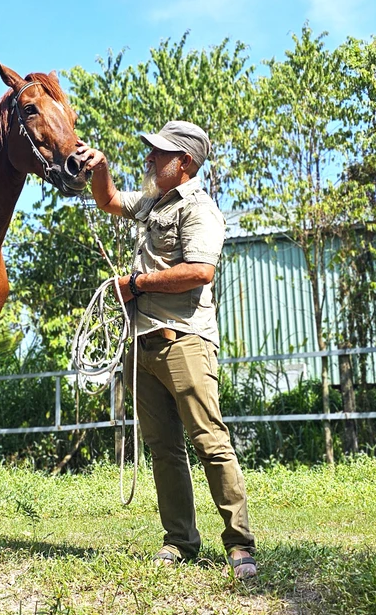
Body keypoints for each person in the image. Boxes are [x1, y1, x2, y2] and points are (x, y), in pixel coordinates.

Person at [76, 120, 257, 580]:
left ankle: (239, 544)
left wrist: (133, 284)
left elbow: (200, 271)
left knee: (210, 442)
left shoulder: (200, 210)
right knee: (163, 448)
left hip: (184, 340)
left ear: (186, 163)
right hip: (141, 343)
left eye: (160, 153)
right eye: (151, 152)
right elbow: (109, 201)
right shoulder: (153, 202)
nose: (151, 159)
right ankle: (180, 540)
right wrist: (101, 167)